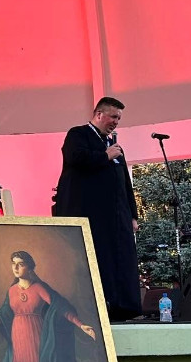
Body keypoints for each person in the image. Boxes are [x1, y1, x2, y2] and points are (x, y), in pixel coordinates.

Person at [53, 97, 143, 320]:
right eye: (113, 117)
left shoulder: (114, 145)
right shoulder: (78, 134)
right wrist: (105, 156)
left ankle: (123, 307)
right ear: (99, 114)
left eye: (119, 118)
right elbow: (75, 158)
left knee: (121, 258)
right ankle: (96, 307)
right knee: (97, 258)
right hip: (90, 214)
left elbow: (125, 183)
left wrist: (133, 215)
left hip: (117, 216)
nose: (116, 122)